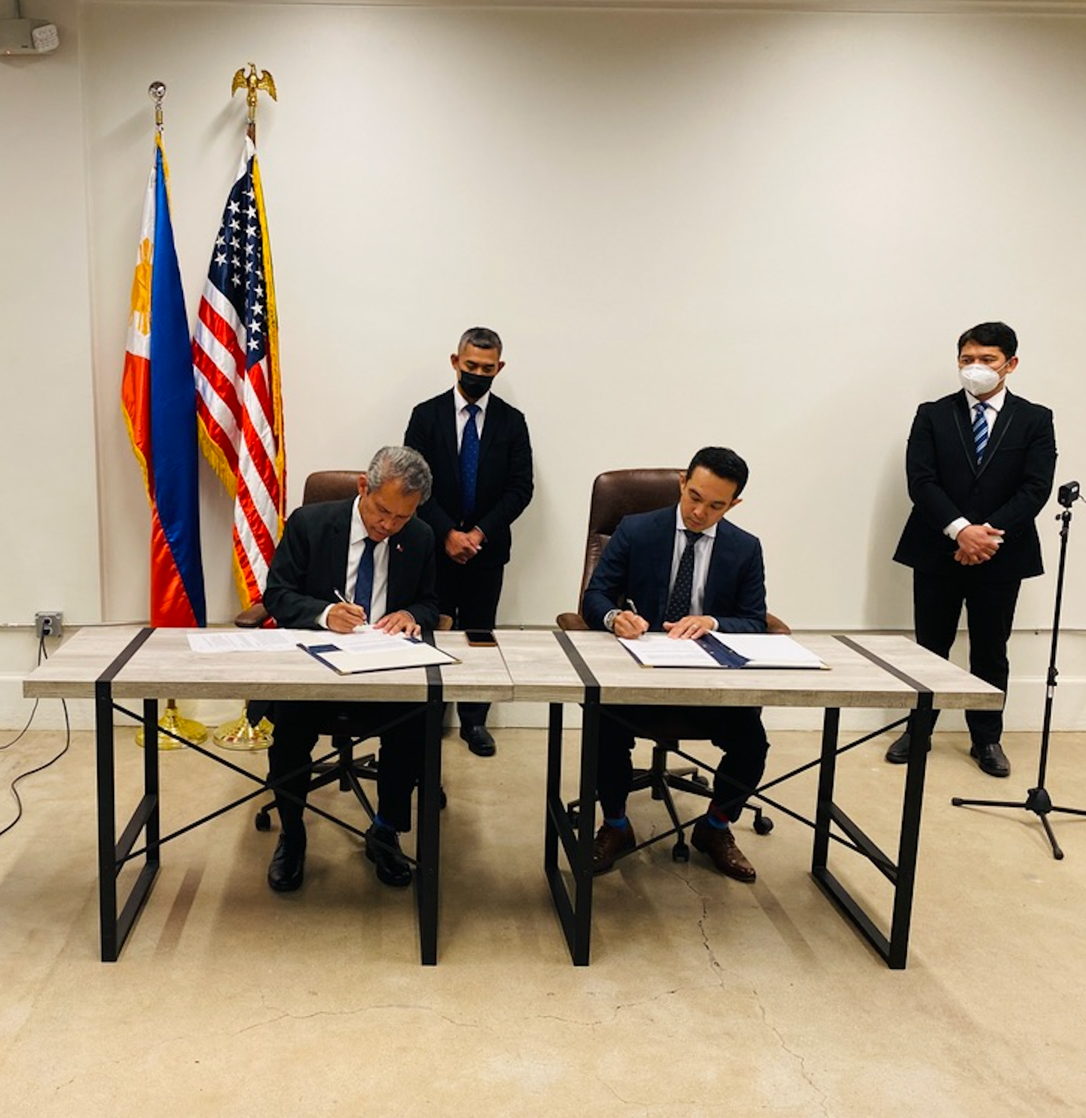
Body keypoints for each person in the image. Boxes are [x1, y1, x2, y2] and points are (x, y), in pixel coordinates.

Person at [582, 446, 771, 882]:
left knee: (752, 745)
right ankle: (614, 825)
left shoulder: (745, 549)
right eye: (695, 497)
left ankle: (715, 827)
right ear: (682, 483)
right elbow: (594, 597)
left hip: (710, 681)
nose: (700, 512)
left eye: (716, 505)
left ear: (734, 504)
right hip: (639, 672)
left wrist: (714, 621)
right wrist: (615, 618)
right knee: (603, 728)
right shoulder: (635, 530)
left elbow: (755, 620)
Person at [261, 446, 440, 892]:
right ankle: (293, 833)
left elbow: (431, 602)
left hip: (384, 668)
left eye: (402, 517)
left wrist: (412, 615)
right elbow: (277, 595)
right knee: (291, 725)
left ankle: (386, 830)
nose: (388, 525)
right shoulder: (310, 524)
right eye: (383, 511)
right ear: (364, 486)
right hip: (315, 665)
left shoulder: (418, 537)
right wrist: (323, 614)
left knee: (414, 719)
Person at [889, 321, 1057, 776]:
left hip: (1003, 554)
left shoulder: (1035, 418)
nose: (975, 368)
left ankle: (986, 738)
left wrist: (986, 534)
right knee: (931, 646)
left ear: (1011, 364)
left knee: (990, 649)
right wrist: (960, 530)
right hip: (936, 548)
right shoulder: (933, 414)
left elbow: (1035, 487)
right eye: (968, 359)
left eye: (987, 360)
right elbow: (920, 481)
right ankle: (918, 730)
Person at [404, 326, 533, 757]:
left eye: (488, 368)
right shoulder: (426, 416)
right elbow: (414, 484)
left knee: (480, 636)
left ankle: (474, 722)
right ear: (455, 361)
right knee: (431, 631)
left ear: (500, 367)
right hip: (433, 548)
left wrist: (477, 534)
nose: (479, 374)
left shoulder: (512, 422)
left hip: (486, 549)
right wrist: (447, 534)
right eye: (471, 365)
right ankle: (430, 713)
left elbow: (520, 488)